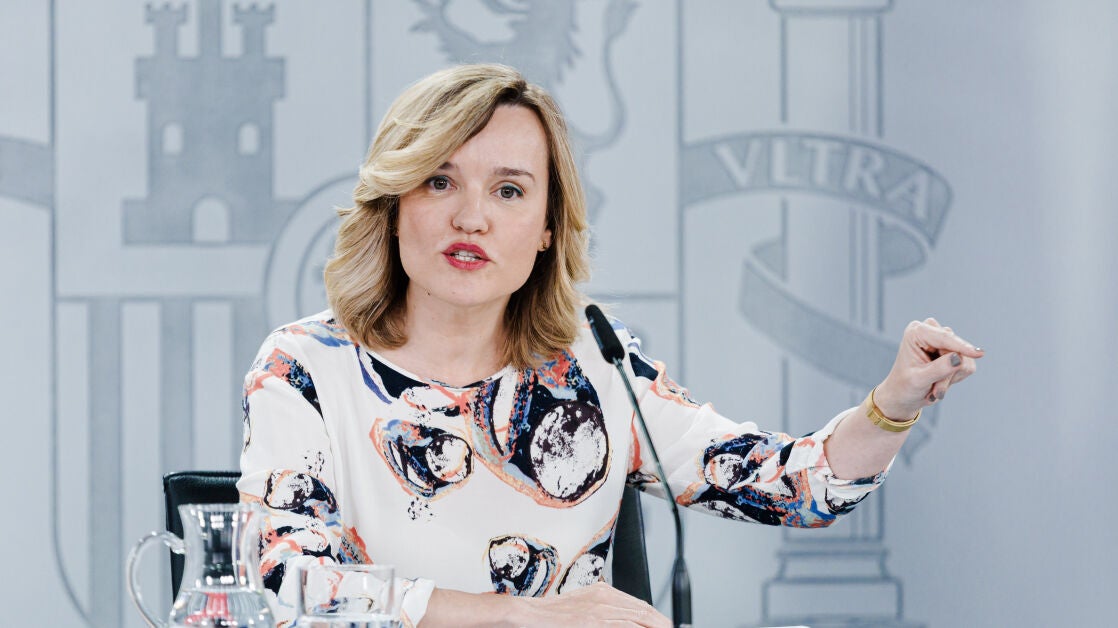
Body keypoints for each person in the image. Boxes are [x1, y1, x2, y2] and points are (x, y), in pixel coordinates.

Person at [238, 63, 982, 628]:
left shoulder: (595, 369)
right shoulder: (304, 367)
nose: (472, 217)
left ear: (548, 228)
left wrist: (893, 404)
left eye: (509, 190)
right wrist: (524, 617)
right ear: (394, 202)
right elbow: (285, 581)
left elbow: (793, 486)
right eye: (439, 182)